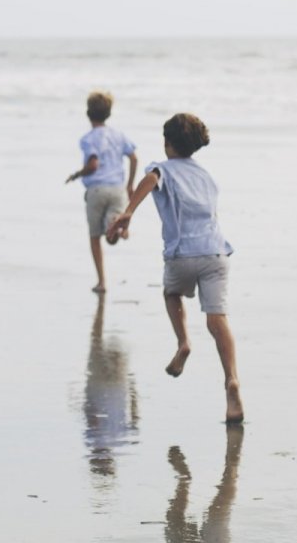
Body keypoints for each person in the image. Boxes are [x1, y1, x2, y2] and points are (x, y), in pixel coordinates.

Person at [107, 112, 242, 425]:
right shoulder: (208, 177)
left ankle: (182, 342)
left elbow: (150, 180)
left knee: (172, 293)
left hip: (183, 254)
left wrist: (129, 211)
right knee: (217, 319)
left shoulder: (162, 167)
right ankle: (232, 380)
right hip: (216, 253)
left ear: (167, 143)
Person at [65, 90, 137, 294]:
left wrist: (77, 174)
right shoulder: (118, 135)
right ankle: (118, 228)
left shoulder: (88, 139)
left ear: (88, 113)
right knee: (110, 229)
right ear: (109, 114)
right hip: (117, 189)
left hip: (96, 190)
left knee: (95, 236)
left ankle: (102, 281)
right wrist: (130, 184)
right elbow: (133, 158)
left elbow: (93, 164)